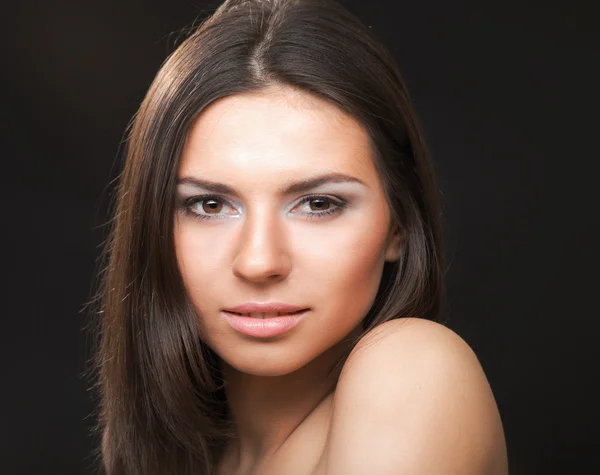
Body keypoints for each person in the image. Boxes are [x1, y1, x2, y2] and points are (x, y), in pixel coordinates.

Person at [88, 0, 509, 474]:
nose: (259, 261)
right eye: (209, 205)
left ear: (399, 224)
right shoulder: (181, 458)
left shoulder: (410, 370)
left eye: (318, 204)